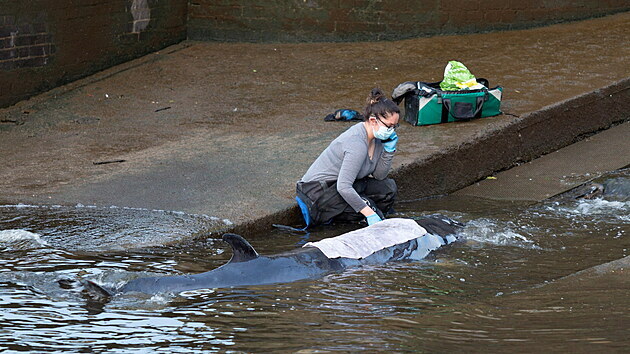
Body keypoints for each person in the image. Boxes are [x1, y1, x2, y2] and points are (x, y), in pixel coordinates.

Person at [296, 88, 400, 227]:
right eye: (389, 126)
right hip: (319, 193)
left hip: (341, 186)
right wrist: (369, 213)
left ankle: (358, 214)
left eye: (395, 126)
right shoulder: (356, 143)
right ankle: (344, 221)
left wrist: (389, 151)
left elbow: (379, 176)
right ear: (373, 121)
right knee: (372, 210)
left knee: (388, 188)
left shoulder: (377, 139)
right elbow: (344, 187)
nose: (391, 130)